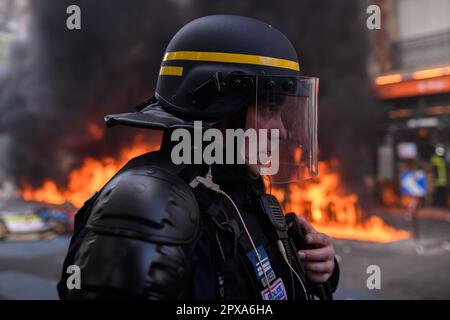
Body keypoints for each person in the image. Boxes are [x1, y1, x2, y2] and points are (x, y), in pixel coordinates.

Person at [58, 15, 339, 300]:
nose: (281, 132)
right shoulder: (146, 204)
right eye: (269, 110)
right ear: (219, 108)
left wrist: (314, 268)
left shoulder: (237, 192)